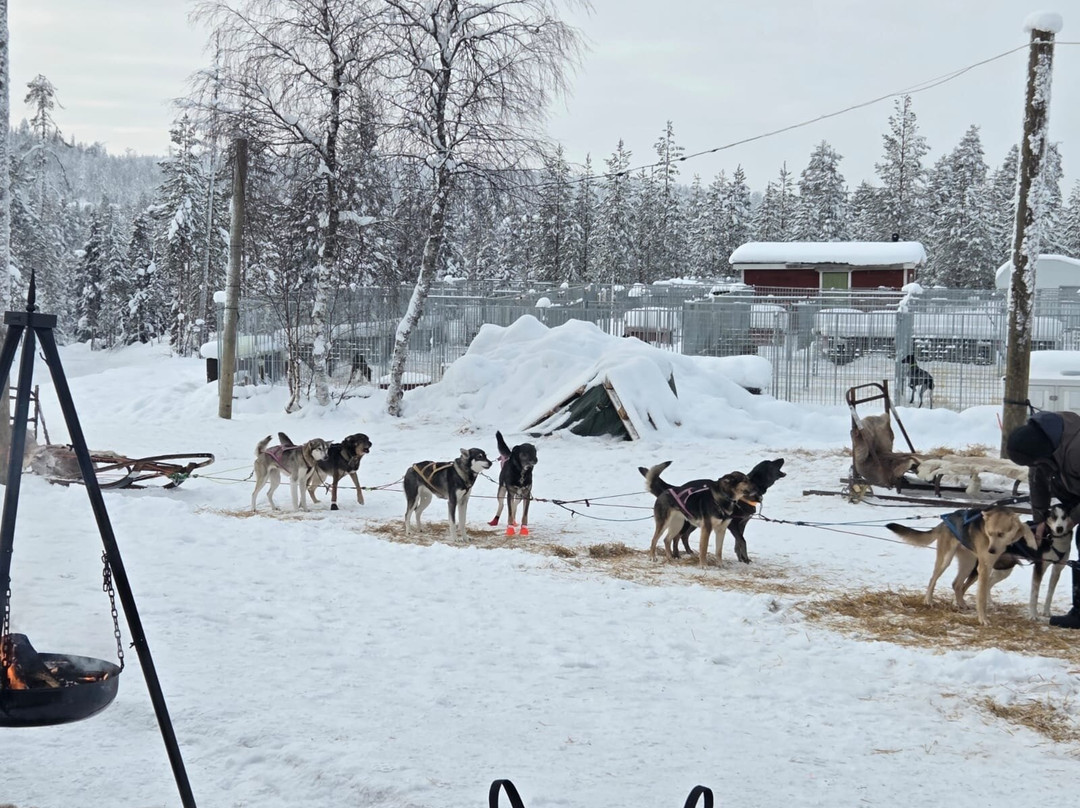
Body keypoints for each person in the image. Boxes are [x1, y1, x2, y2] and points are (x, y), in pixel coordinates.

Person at [1005, 409, 1080, 628]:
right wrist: (1039, 520)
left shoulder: (1075, 449)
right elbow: (1037, 481)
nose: (1034, 466)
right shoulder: (1040, 447)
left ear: (1042, 452)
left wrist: (1073, 518)